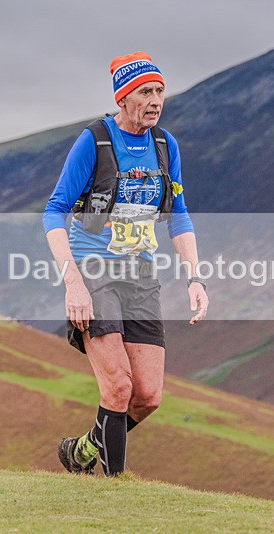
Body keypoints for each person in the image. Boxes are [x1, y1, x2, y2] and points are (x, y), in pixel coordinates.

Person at [43, 52, 208, 476]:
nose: (155, 100)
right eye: (145, 92)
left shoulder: (164, 144)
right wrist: (73, 284)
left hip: (140, 277)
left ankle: (79, 451)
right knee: (118, 387)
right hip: (94, 272)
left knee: (148, 396)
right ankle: (115, 489)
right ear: (123, 97)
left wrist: (195, 278)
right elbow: (54, 211)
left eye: (160, 91)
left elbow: (180, 214)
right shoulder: (94, 140)